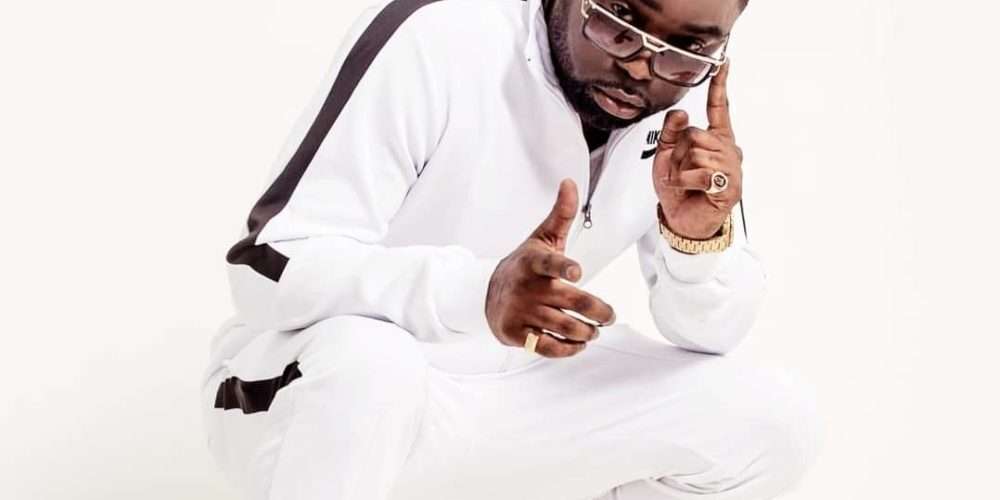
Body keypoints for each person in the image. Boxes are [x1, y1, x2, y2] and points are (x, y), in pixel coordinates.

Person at [200, 0, 821, 498]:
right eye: (618, 23)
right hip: (313, 398)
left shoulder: (683, 109)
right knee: (371, 364)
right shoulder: (440, 36)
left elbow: (710, 334)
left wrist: (697, 241)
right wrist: (480, 291)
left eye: (686, 53)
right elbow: (265, 266)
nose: (641, 71)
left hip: (505, 395)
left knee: (769, 417)